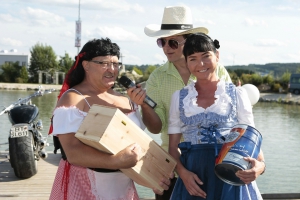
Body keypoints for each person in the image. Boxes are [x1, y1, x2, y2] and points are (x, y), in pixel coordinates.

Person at [126, 5, 232, 200]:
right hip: (172, 170)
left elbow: (233, 120)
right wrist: (144, 105)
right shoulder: (157, 77)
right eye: (162, 42)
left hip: (214, 163)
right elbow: (156, 128)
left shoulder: (217, 70)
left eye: (173, 42)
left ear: (189, 41)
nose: (166, 48)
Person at [49, 38, 170, 200]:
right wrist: (116, 161)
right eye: (104, 63)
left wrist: (151, 178)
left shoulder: (126, 99)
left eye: (116, 64)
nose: (112, 69)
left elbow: (143, 139)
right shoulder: (73, 99)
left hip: (123, 188)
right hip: (84, 186)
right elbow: (73, 152)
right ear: (86, 65)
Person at [167, 33, 265, 199]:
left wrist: (259, 167)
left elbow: (253, 143)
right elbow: (172, 147)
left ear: (217, 56)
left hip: (232, 176)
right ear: (186, 62)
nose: (201, 64)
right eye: (193, 58)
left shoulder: (237, 94)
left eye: (206, 56)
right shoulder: (179, 97)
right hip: (194, 179)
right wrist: (183, 174)